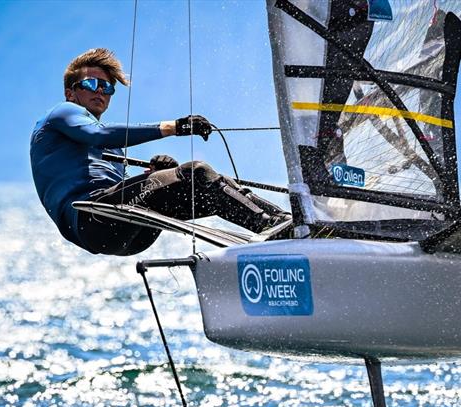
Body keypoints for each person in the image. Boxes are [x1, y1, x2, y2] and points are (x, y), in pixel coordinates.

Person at [30, 48, 288, 255]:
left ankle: (285, 223)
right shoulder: (62, 112)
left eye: (107, 87)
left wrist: (160, 174)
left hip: (126, 234)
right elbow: (97, 135)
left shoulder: (112, 143)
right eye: (91, 83)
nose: (100, 90)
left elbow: (123, 186)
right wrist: (173, 127)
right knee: (196, 171)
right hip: (92, 219)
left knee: (203, 183)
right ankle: (273, 225)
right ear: (70, 92)